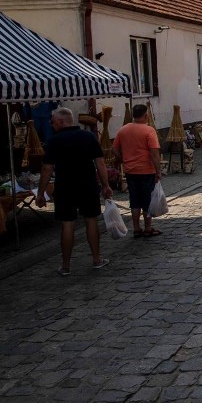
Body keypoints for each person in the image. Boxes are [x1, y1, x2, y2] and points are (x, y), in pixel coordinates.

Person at [35, 107, 112, 275]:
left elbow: (47, 168)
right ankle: (97, 259)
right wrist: (106, 185)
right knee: (91, 221)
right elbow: (100, 163)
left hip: (65, 187)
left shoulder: (54, 141)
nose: (51, 124)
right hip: (88, 185)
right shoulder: (88, 137)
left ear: (61, 121)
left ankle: (65, 266)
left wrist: (41, 193)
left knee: (67, 225)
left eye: (53, 122)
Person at [112, 104, 162, 238]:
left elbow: (114, 148)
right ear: (146, 115)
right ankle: (148, 228)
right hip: (146, 171)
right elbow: (154, 153)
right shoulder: (149, 131)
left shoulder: (123, 130)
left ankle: (136, 228)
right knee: (147, 200)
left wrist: (122, 159)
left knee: (134, 200)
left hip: (130, 171)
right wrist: (158, 171)